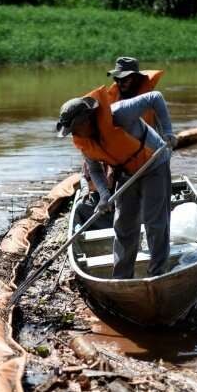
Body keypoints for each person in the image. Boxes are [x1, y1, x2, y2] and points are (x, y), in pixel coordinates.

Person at [56, 84, 178, 279]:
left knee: (154, 221)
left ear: (87, 120)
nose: (75, 134)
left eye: (76, 128)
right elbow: (94, 168)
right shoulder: (84, 140)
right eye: (71, 131)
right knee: (123, 224)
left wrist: (168, 132)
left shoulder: (118, 114)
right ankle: (122, 277)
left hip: (153, 163)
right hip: (126, 172)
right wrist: (104, 195)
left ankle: (157, 274)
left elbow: (155, 97)